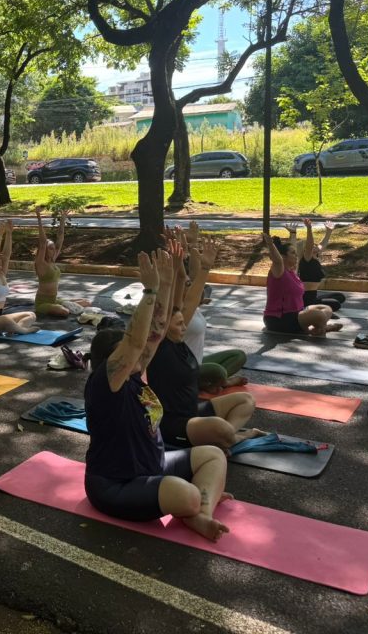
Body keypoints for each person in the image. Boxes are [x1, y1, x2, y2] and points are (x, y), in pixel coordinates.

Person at [84, 247, 231, 542]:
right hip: (116, 484)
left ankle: (200, 515)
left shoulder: (134, 375)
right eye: (128, 355)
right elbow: (135, 341)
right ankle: (194, 507)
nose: (140, 356)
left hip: (155, 464)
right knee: (187, 494)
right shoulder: (103, 386)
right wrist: (149, 291)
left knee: (213, 455)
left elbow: (154, 334)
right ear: (110, 362)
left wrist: (164, 285)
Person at [146, 232, 261, 451]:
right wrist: (168, 278)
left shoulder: (179, 341)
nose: (184, 327)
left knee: (246, 400)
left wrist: (205, 267)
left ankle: (228, 437)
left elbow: (190, 298)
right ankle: (233, 437)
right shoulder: (160, 346)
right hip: (173, 425)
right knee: (219, 426)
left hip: (194, 413)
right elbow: (175, 299)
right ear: (163, 326)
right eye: (178, 324)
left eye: (184, 323)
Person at [175, 223, 247, 394]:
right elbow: (182, 277)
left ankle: (209, 382)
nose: (192, 285)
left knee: (239, 356)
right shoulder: (180, 311)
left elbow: (193, 274)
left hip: (198, 364)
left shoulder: (194, 305)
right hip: (184, 370)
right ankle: (220, 381)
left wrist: (193, 245)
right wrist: (177, 257)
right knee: (218, 371)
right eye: (187, 284)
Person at [262, 232, 340, 336]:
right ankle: (320, 328)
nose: (296, 255)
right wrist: (270, 244)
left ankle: (317, 328)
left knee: (327, 309)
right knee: (320, 316)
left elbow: (291, 247)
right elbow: (277, 260)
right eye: (293, 253)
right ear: (283, 257)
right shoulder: (278, 271)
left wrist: (293, 234)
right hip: (279, 318)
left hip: (298, 314)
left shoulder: (292, 272)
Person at [0, 219, 39, 335]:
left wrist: (9, 233)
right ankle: (23, 330)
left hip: (0, 318)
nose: (0, 261)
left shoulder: (1, 274)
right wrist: (0, 235)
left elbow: (6, 255)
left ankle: (16, 329)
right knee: (7, 321)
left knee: (31, 315)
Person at [287, 218, 345, 311]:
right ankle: (307, 307)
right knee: (336, 304)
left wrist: (329, 231)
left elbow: (322, 244)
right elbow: (310, 244)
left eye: (315, 246)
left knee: (340, 296)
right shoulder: (307, 258)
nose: (315, 246)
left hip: (313, 296)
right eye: (312, 246)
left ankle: (315, 304)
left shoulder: (315, 257)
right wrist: (309, 228)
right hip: (306, 298)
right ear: (305, 250)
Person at [33, 207, 80, 317]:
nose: (54, 250)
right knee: (64, 311)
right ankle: (63, 306)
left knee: (85, 302)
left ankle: (64, 305)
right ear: (44, 250)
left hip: (54, 300)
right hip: (42, 303)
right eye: (50, 248)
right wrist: (39, 218)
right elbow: (42, 243)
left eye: (54, 248)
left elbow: (60, 238)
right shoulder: (40, 263)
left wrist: (63, 219)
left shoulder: (53, 260)